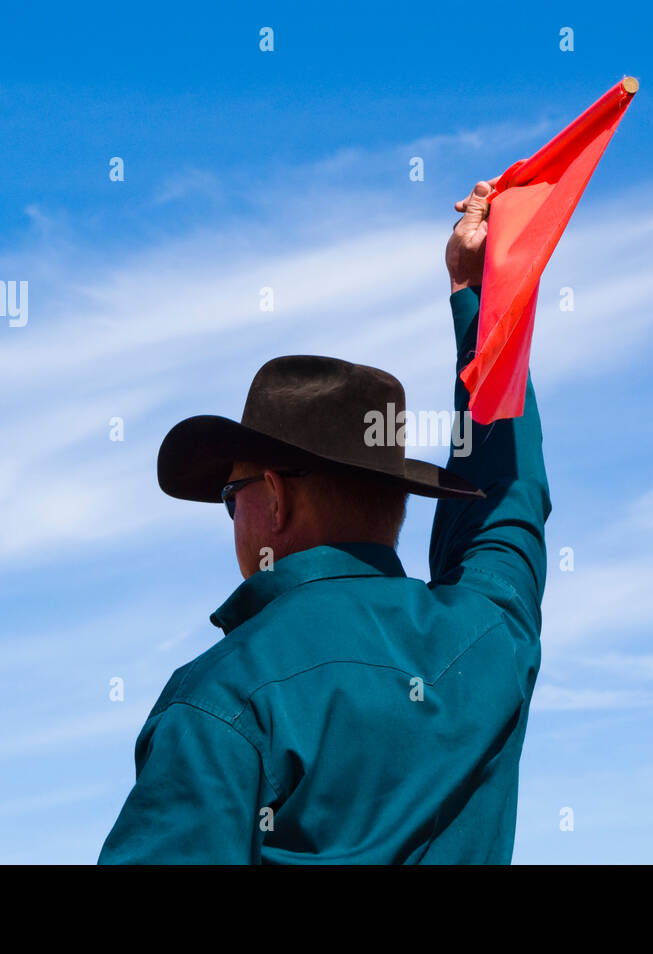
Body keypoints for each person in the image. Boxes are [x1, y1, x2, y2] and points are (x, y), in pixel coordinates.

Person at [98, 178, 551, 863]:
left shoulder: (224, 697)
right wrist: (478, 297)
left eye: (231, 495)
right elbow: (506, 499)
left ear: (275, 498)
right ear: (396, 498)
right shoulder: (490, 640)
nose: (232, 518)